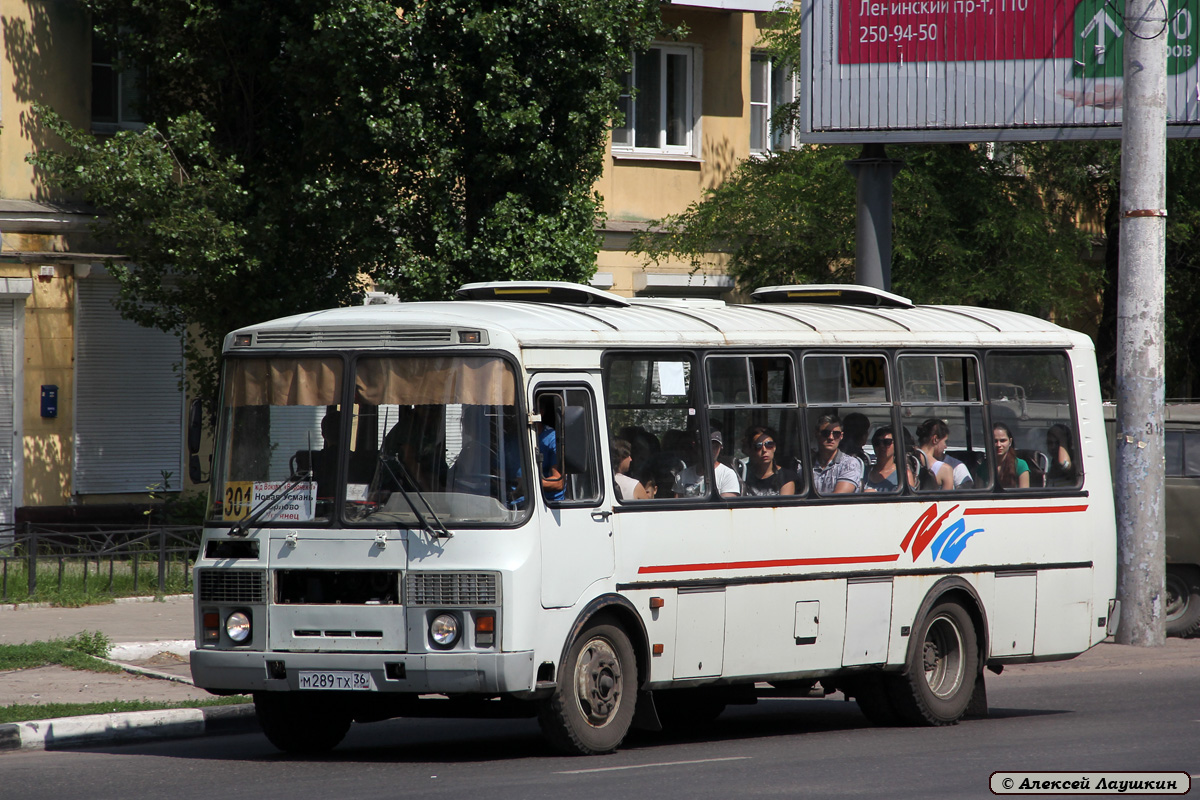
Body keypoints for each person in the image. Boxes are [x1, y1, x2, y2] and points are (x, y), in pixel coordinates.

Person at [810, 415, 863, 494]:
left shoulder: (850, 464)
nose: (831, 437)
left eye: (836, 434)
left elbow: (839, 498)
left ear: (841, 436)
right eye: (825, 433)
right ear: (817, 434)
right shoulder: (806, 465)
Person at [742, 425, 798, 496]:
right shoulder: (742, 474)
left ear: (774, 447)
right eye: (758, 446)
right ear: (751, 449)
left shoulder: (786, 477)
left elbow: (784, 506)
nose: (764, 450)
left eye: (769, 444)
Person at [864, 426, 912, 492]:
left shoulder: (904, 475)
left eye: (887, 442)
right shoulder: (864, 471)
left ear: (896, 445)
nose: (881, 446)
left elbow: (907, 501)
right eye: (877, 442)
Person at [537, 396, 565, 501]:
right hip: (509, 503)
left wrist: (527, 486)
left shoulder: (552, 439)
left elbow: (558, 482)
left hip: (544, 503)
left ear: (540, 413)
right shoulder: (510, 439)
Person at [914, 418, 954, 490]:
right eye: (945, 441)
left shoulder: (908, 458)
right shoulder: (945, 469)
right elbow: (947, 500)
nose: (945, 446)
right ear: (935, 439)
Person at [993, 422, 1030, 489]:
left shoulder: (1021, 465)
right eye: (995, 441)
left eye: (1003, 440)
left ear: (1010, 442)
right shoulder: (984, 467)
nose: (998, 445)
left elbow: (1024, 496)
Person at [708, 430, 741, 497]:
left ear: (721, 447)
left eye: (715, 447)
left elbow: (726, 505)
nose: (711, 450)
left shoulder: (727, 474)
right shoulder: (683, 475)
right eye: (708, 446)